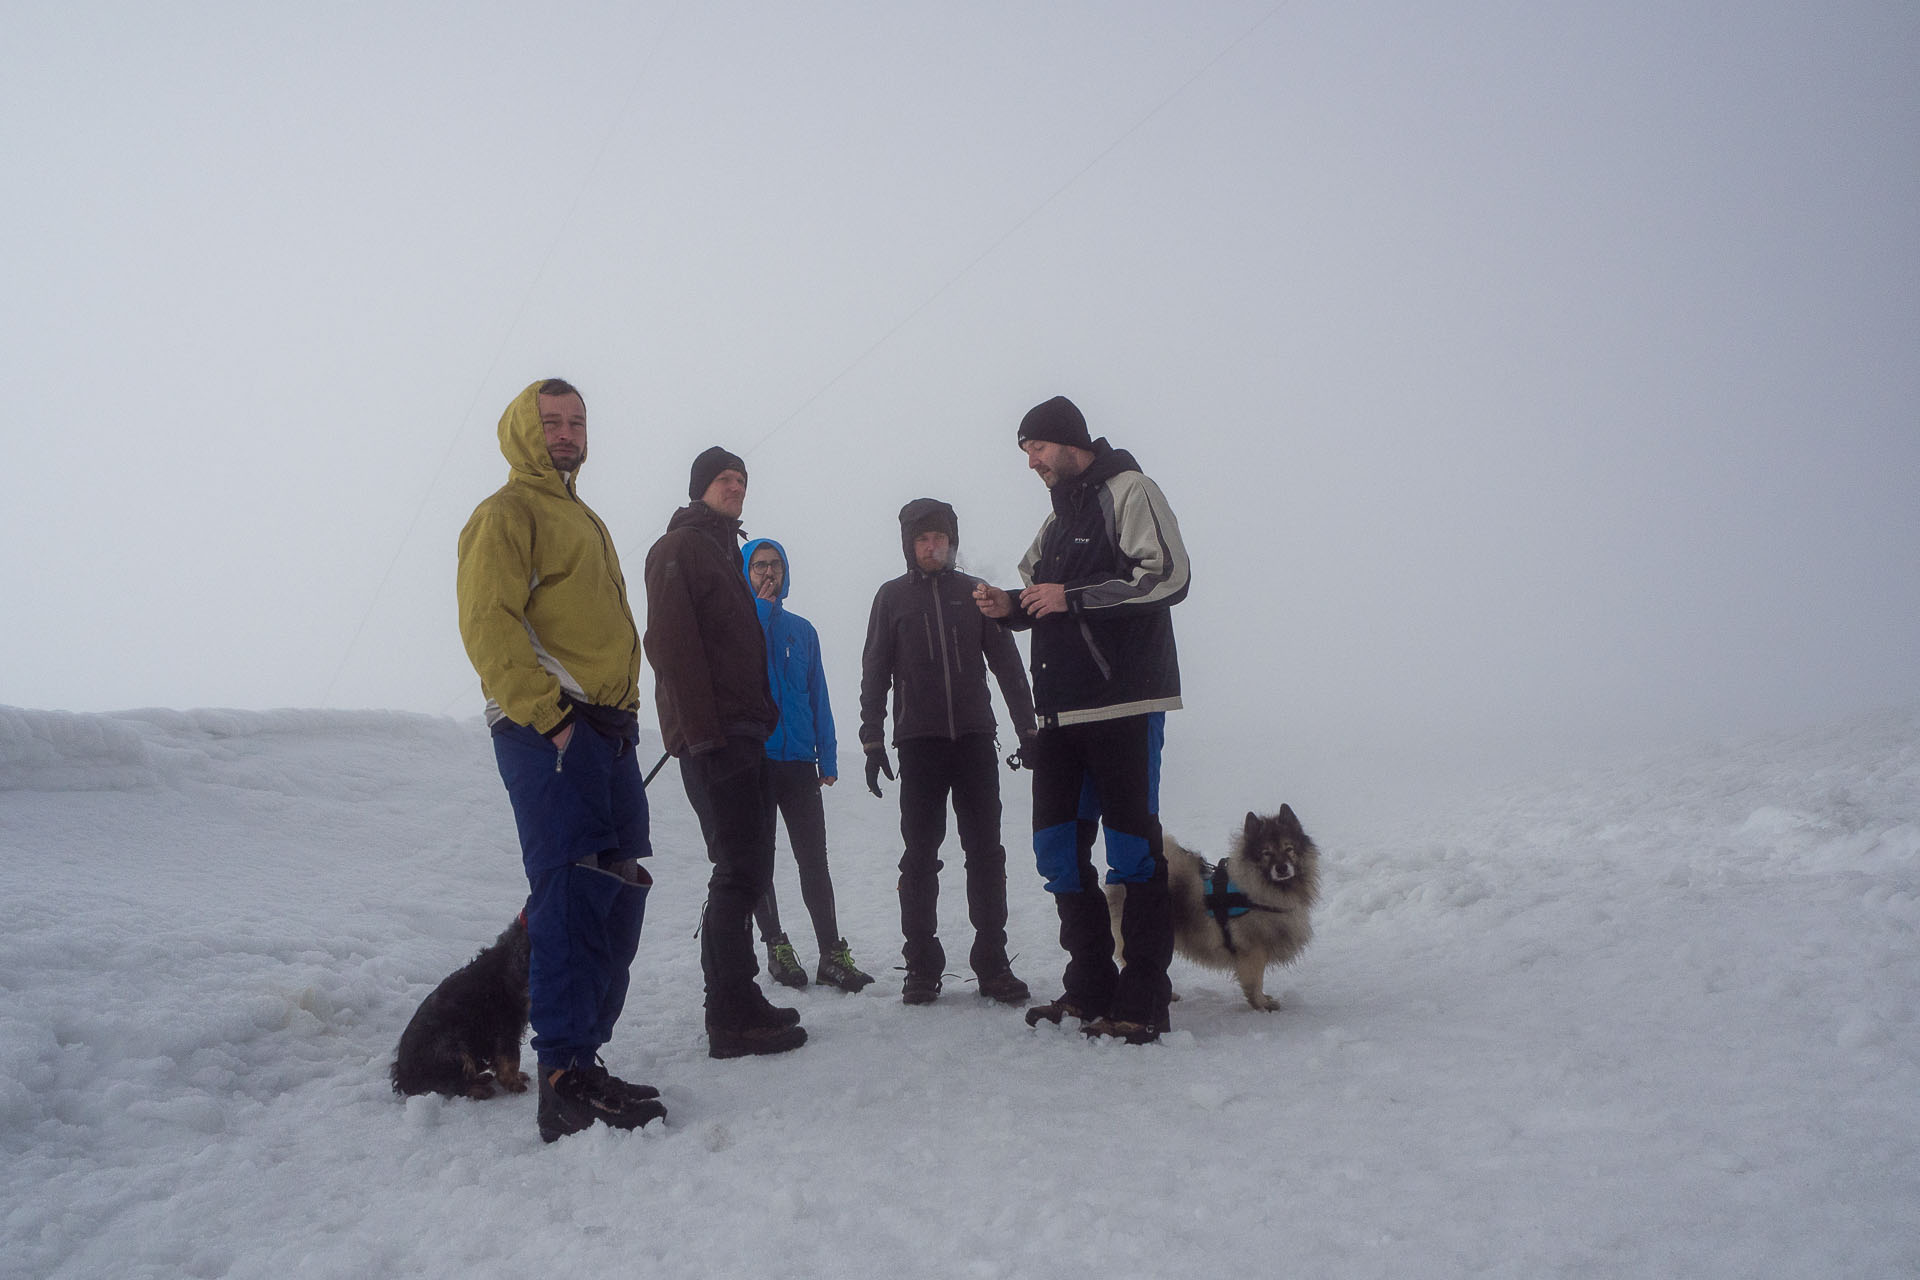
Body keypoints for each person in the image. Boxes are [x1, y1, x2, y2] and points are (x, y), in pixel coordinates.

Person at [455, 377, 665, 1141]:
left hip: (608, 729)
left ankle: (585, 1061)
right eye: (550, 422)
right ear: (522, 430)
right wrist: (553, 722)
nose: (566, 433)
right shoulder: (505, 513)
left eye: (576, 421)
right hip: (552, 729)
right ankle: (561, 1078)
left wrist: (625, 717)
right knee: (569, 897)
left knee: (616, 893)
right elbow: (489, 626)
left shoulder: (583, 517)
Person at [973, 395, 1191, 1044]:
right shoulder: (1057, 519)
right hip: (1060, 713)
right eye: (1025, 453)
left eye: (1036, 448)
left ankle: (1145, 998)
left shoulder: (1130, 490)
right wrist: (1003, 605)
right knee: (1057, 853)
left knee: (1131, 853)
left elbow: (1169, 576)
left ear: (1069, 441)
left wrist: (1071, 596)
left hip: (1123, 703)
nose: (1031, 462)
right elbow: (1038, 600)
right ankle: (1089, 985)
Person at [644, 446, 807, 1058]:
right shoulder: (679, 549)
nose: (735, 487)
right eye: (723, 480)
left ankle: (739, 998)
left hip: (743, 732)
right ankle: (730, 1015)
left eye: (741, 480)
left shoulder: (722, 555)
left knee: (748, 868)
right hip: (715, 738)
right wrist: (702, 731)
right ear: (700, 490)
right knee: (738, 870)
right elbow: (669, 644)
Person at [860, 498, 1038, 1007]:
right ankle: (921, 966)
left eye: (939, 538)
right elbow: (874, 670)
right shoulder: (891, 598)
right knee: (919, 857)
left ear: (952, 542)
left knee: (986, 853)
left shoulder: (975, 594)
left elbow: (1006, 666)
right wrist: (872, 739)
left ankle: (992, 962)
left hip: (977, 742)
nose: (931, 546)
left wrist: (1028, 732)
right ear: (908, 546)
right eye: (922, 539)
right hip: (919, 744)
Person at [739, 535, 874, 993]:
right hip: (754, 760)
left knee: (814, 860)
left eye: (775, 565)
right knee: (759, 861)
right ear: (745, 572)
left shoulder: (804, 631)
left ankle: (831, 954)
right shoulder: (738, 626)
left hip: (798, 761)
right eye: (758, 566)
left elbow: (818, 696)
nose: (768, 573)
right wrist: (757, 610)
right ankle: (776, 946)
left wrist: (828, 755)